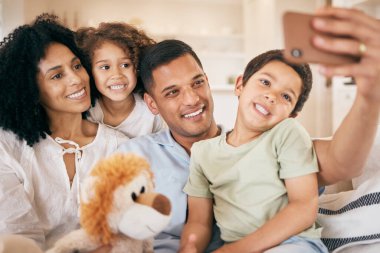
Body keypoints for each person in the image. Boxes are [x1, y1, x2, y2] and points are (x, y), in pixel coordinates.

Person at [117, 6, 380, 253]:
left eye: (197, 83)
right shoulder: (135, 156)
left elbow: (341, 163)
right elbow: (197, 224)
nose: (192, 99)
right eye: (172, 92)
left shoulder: (283, 136)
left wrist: (368, 97)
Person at [0, 14, 127, 252]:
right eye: (57, 75)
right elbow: (17, 239)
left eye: (77, 66)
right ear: (31, 89)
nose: (77, 79)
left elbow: (122, 233)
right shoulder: (7, 147)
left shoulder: (118, 146)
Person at [181, 49, 328, 253]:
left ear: (292, 114)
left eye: (286, 96)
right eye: (266, 82)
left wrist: (235, 251)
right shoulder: (203, 152)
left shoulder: (287, 133)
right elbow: (199, 222)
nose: (271, 96)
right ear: (240, 85)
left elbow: (303, 208)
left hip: (292, 243)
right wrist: (190, 247)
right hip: (231, 245)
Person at [76, 22, 166, 138]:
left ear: (137, 67)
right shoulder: (88, 113)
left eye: (125, 65)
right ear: (90, 71)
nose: (116, 75)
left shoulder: (152, 112)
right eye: (105, 67)